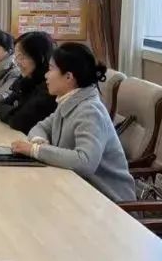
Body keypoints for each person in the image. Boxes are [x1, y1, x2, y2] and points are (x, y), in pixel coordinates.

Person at [11, 43, 134, 202]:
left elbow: (85, 162)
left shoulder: (90, 111)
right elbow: (40, 127)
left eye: (51, 69)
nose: (46, 75)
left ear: (69, 77)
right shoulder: (69, 102)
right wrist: (39, 141)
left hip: (107, 201)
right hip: (76, 190)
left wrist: (35, 150)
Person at [0, 31, 58, 133]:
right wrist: (14, 113)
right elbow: (0, 106)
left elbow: (20, 121)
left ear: (40, 58)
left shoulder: (49, 87)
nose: (17, 62)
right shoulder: (25, 79)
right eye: (16, 57)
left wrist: (13, 113)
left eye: (22, 57)